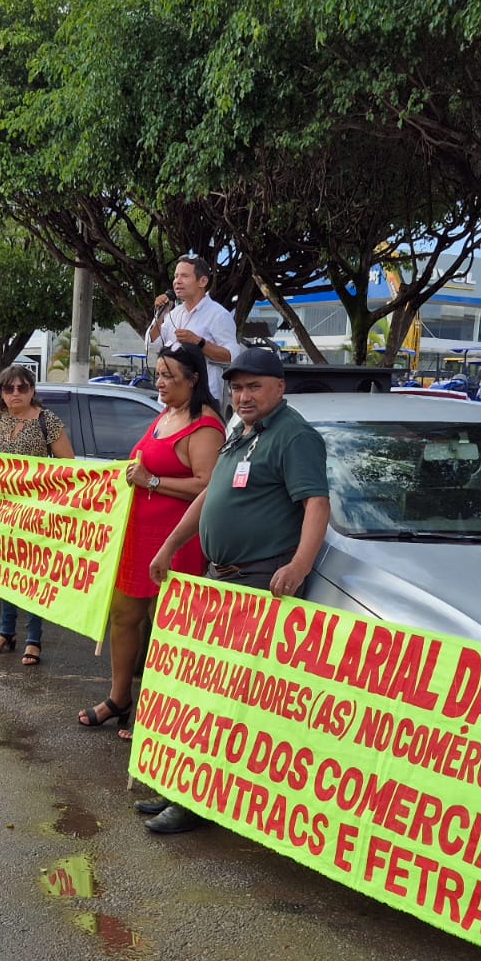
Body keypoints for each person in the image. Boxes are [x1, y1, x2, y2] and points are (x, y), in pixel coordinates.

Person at [141, 346, 328, 834]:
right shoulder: (242, 432)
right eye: (238, 387)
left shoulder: (294, 436)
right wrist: (169, 546)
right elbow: (211, 494)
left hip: (257, 583)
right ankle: (181, 787)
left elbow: (315, 505)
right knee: (200, 689)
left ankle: (197, 802)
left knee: (228, 701)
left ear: (279, 388)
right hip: (220, 580)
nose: (243, 396)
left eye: (254, 387)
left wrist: (299, 565)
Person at [79, 343, 223, 734]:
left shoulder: (205, 425)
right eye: (158, 374)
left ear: (193, 380)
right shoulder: (167, 414)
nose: (159, 383)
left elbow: (209, 486)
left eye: (168, 376)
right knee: (124, 616)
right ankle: (119, 697)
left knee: (166, 629)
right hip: (139, 537)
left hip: (176, 541)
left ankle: (158, 714)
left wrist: (153, 481)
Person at [0, 364, 75, 664]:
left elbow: (69, 466)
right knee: (5, 572)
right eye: (9, 388)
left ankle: (33, 638)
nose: (16, 393)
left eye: (22, 387)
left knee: (33, 575)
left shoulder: (47, 421)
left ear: (32, 391)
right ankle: (6, 631)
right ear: (1, 392)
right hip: (2, 511)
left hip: (35, 513)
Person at [144, 254, 239, 398]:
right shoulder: (173, 313)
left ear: (203, 281)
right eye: (176, 276)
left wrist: (198, 342)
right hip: (169, 399)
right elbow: (152, 345)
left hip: (201, 399)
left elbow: (231, 357)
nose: (177, 281)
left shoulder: (219, 315)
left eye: (184, 276)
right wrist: (160, 314)